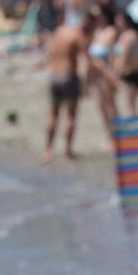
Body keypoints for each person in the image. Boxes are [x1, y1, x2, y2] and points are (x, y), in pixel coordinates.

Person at [42, 12, 88, 163]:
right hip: (69, 76)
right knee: (70, 115)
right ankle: (68, 150)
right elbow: (84, 59)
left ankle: (48, 150)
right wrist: (85, 83)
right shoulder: (76, 35)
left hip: (54, 76)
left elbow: (49, 54)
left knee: (53, 114)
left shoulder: (58, 32)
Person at [85, 6, 120, 128]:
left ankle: (118, 131)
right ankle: (109, 132)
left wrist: (112, 74)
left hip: (106, 72)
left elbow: (112, 56)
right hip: (96, 75)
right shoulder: (94, 33)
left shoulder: (110, 31)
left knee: (111, 103)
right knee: (101, 106)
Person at [112, 12, 138, 117]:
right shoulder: (123, 36)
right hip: (128, 73)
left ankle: (134, 128)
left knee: (131, 104)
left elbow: (124, 56)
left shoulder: (130, 35)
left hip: (133, 73)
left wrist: (115, 74)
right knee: (130, 104)